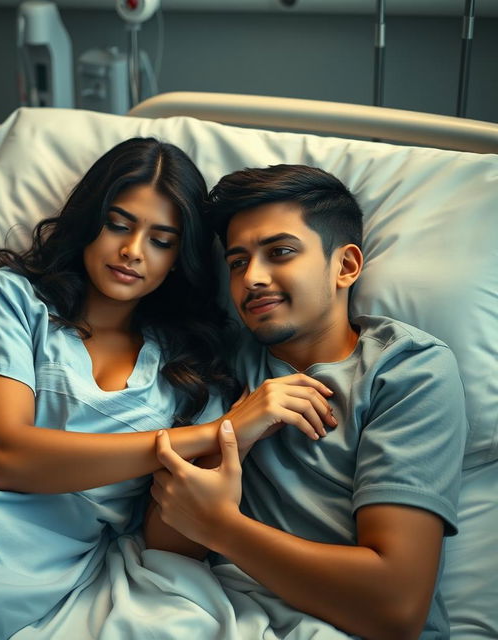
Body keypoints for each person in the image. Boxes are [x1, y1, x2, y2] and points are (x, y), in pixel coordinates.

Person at [0, 140, 317, 639]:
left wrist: (233, 444)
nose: (132, 251)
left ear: (178, 259)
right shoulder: (15, 298)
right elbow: (7, 456)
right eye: (118, 224)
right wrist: (217, 433)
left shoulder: (195, 374)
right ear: (88, 220)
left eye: (161, 240)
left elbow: (169, 544)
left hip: (26, 560)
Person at [146, 164, 467, 639]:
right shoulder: (221, 361)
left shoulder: (406, 370)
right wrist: (235, 430)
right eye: (237, 262)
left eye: (280, 252)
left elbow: (396, 608)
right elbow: (166, 540)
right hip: (211, 612)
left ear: (346, 266)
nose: (252, 277)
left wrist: (221, 528)